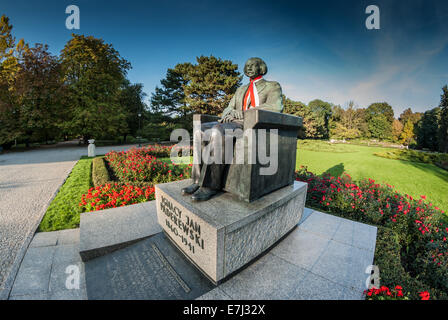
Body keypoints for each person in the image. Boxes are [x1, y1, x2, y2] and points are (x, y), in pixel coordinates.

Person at [182, 57, 284, 201]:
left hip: (251, 124)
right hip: (232, 121)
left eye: (253, 65)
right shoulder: (241, 89)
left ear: (261, 68)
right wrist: (230, 113)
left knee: (219, 131)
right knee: (200, 130)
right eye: (246, 65)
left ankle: (210, 185)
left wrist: (245, 112)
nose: (248, 68)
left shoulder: (272, 86)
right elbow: (228, 107)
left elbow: (275, 107)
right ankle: (197, 180)